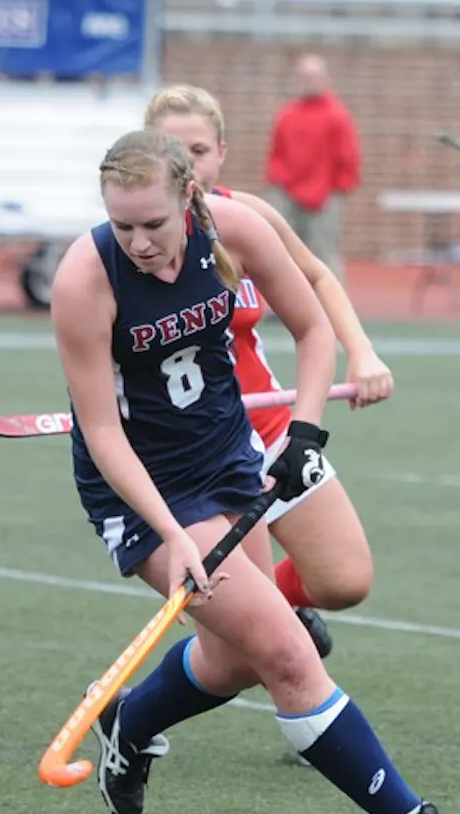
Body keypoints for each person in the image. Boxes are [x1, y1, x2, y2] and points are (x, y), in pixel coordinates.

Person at [51, 129, 460, 814]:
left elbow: (311, 330)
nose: (140, 242)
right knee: (288, 656)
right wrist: (175, 537)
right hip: (143, 485)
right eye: (123, 226)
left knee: (235, 658)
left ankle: (132, 720)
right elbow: (102, 431)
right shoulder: (85, 280)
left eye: (153, 224)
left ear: (190, 197)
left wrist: (304, 435)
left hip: (225, 453)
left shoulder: (235, 228)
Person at [145, 83, 394, 658]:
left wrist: (362, 350)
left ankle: (274, 612)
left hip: (271, 428)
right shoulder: (133, 246)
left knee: (344, 581)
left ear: (222, 154)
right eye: (172, 150)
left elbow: (316, 280)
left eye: (200, 151)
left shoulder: (249, 218)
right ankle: (140, 710)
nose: (189, 166)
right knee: (237, 652)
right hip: (196, 454)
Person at [263, 54, 361, 285]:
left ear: (325, 79)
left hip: (324, 195)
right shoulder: (287, 114)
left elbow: (348, 158)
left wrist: (336, 189)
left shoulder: (337, 116)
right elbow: (277, 153)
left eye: (313, 76)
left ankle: (334, 309)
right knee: (283, 251)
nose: (308, 81)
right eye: (304, 76)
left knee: (324, 252)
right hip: (289, 192)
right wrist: (280, 182)